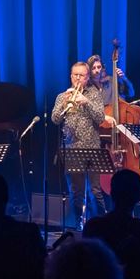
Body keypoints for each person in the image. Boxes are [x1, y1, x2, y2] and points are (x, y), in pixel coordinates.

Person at [51, 62, 106, 229]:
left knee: (94, 192)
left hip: (92, 149)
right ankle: (79, 225)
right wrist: (64, 103)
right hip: (71, 150)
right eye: (75, 75)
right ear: (70, 76)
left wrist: (86, 102)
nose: (77, 78)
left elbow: (100, 118)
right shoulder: (62, 96)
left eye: (81, 75)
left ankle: (102, 226)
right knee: (75, 193)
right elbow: (55, 119)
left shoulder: (94, 94)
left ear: (87, 77)